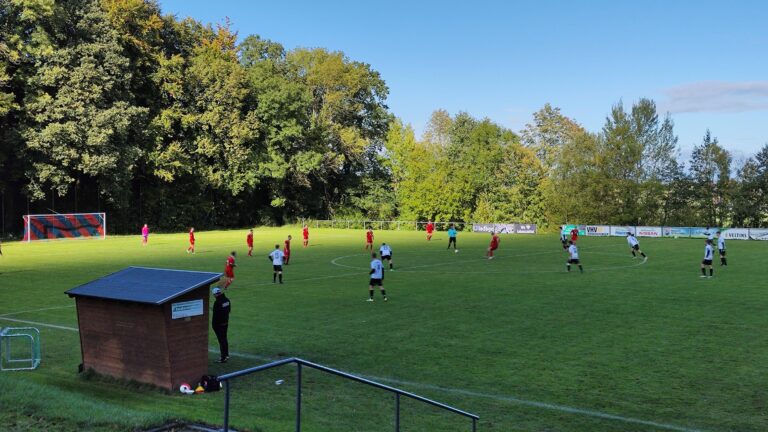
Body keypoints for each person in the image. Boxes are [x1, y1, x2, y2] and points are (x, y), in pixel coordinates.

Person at [211, 287, 231, 363]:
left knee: (221, 341)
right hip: (225, 323)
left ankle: (223, 358)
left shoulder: (217, 303)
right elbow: (228, 310)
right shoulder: (227, 300)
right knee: (224, 339)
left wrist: (214, 325)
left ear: (215, 294)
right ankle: (226, 355)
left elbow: (216, 315)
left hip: (218, 325)